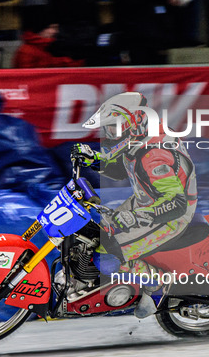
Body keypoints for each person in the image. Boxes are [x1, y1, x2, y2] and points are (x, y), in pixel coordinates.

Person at [70, 92, 198, 318]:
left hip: (169, 216)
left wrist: (136, 217)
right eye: (108, 130)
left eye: (115, 129)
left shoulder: (155, 155)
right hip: (146, 202)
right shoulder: (140, 143)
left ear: (137, 123)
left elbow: (175, 203)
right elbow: (122, 170)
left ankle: (158, 285)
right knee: (92, 231)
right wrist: (94, 160)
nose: (110, 136)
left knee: (106, 250)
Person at [12, 5, 84, 69]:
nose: (55, 31)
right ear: (41, 29)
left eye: (56, 28)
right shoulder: (27, 51)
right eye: (52, 28)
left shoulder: (48, 46)